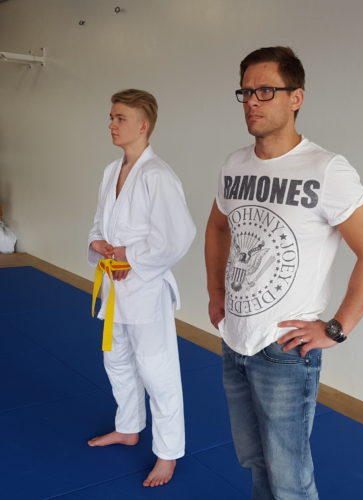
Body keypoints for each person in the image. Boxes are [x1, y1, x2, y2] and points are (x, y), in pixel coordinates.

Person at [205, 47, 363, 499]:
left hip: (285, 350)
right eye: (246, 92)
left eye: (265, 91)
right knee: (254, 462)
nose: (252, 101)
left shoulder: (326, 169)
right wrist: (216, 293)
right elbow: (218, 227)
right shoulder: (234, 164)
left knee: (289, 479)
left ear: (296, 98)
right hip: (235, 339)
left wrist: (337, 328)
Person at [87, 89, 195, 487]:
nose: (111, 125)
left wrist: (130, 257)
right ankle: (128, 427)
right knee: (116, 360)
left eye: (120, 118)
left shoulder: (157, 175)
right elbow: (99, 223)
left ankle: (167, 453)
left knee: (156, 369)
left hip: (146, 289)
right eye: (111, 117)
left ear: (143, 125)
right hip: (114, 288)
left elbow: (178, 236)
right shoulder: (110, 171)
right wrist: (99, 244)